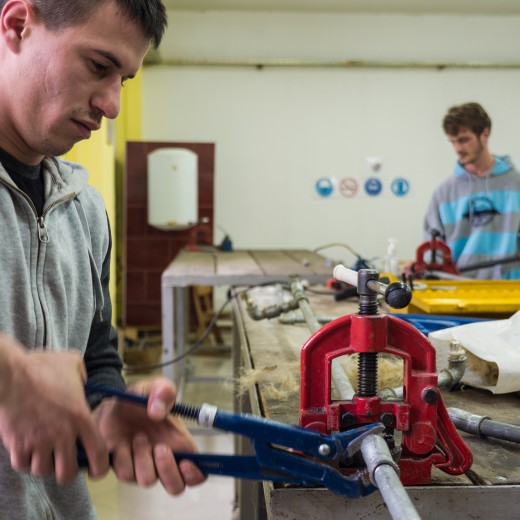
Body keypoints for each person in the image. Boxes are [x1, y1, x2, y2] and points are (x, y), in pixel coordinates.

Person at [0, 0, 205, 518]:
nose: (111, 104)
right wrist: (11, 375)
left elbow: (96, 351)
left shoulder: (84, 206)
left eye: (124, 80)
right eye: (98, 66)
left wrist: (111, 405)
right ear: (18, 24)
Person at [423, 102, 520, 279]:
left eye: (464, 140)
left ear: (485, 134)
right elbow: (432, 251)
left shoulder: (516, 186)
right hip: (459, 292)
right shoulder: (443, 193)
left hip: (511, 292)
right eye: (453, 141)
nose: (458, 149)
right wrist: (425, 266)